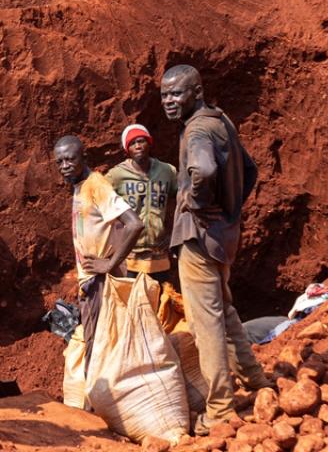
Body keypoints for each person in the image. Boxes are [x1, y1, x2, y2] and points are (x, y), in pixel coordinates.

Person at [160, 64, 271, 433]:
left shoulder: (197, 130)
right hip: (224, 236)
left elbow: (203, 171)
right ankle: (256, 379)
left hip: (199, 238)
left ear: (196, 91)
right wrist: (229, 211)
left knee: (206, 325)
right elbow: (251, 170)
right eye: (164, 95)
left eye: (176, 93)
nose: (168, 101)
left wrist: (198, 204)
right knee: (224, 310)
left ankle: (221, 409)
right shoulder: (221, 120)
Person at [53, 135, 144, 353]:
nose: (65, 166)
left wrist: (110, 263)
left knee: (98, 347)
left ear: (83, 157)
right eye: (60, 162)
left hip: (100, 282)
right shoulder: (80, 186)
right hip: (91, 281)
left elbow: (134, 224)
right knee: (101, 345)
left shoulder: (97, 185)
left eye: (70, 160)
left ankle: (100, 386)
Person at [105, 123, 178, 287]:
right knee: (133, 305)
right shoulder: (116, 175)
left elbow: (183, 201)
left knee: (161, 303)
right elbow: (100, 203)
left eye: (141, 141)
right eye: (132, 143)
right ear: (127, 149)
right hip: (130, 255)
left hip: (159, 254)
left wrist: (174, 234)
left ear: (149, 143)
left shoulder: (167, 171)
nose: (138, 146)